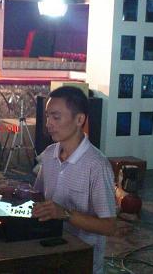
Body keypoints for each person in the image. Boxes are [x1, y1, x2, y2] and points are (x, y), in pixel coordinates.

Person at [32, 86, 116, 274]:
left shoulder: (96, 165)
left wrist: (65, 213)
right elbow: (38, 195)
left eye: (56, 117)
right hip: (51, 252)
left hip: (82, 262)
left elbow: (109, 226)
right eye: (47, 116)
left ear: (79, 120)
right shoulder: (49, 154)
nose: (49, 124)